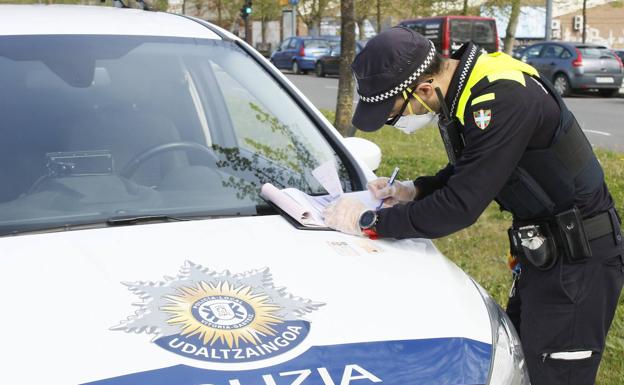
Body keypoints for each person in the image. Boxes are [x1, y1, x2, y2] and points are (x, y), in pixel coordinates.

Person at [323, 27, 624, 385]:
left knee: (559, 375)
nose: (396, 122)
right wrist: (415, 190)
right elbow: (478, 164)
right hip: (547, 253)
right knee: (523, 366)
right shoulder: (472, 84)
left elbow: (459, 207)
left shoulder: (502, 99)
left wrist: (370, 220)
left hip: (578, 263)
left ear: (422, 89)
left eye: (394, 114)